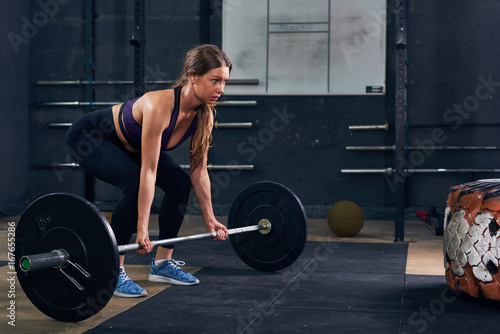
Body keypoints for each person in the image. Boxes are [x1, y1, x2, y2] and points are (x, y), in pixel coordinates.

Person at [66, 44, 231, 297]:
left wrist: (210, 218)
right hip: (90, 138)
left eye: (224, 82)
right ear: (194, 76)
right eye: (215, 80)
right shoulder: (160, 105)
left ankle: (163, 264)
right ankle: (114, 271)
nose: (220, 89)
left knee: (179, 182)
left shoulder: (203, 116)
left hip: (131, 147)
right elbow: (149, 171)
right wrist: (142, 228)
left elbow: (199, 172)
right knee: (133, 182)